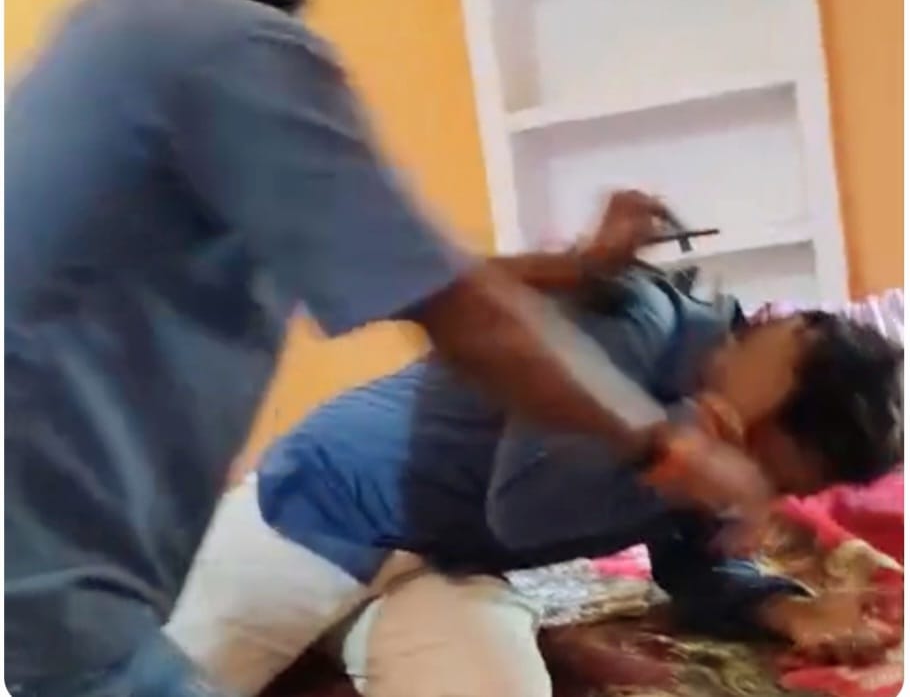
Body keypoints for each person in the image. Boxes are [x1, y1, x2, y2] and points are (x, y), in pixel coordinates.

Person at [4, 0, 770, 697]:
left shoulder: (93, 51)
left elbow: (418, 266)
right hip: (60, 613)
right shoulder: (227, 44)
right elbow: (457, 308)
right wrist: (673, 450)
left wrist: (576, 266)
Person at [166, 265, 903, 697]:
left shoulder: (723, 439)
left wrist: (784, 609)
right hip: (326, 503)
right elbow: (523, 506)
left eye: (778, 488)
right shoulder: (631, 321)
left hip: (443, 564)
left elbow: (694, 559)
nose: (753, 492)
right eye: (762, 469)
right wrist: (696, 437)